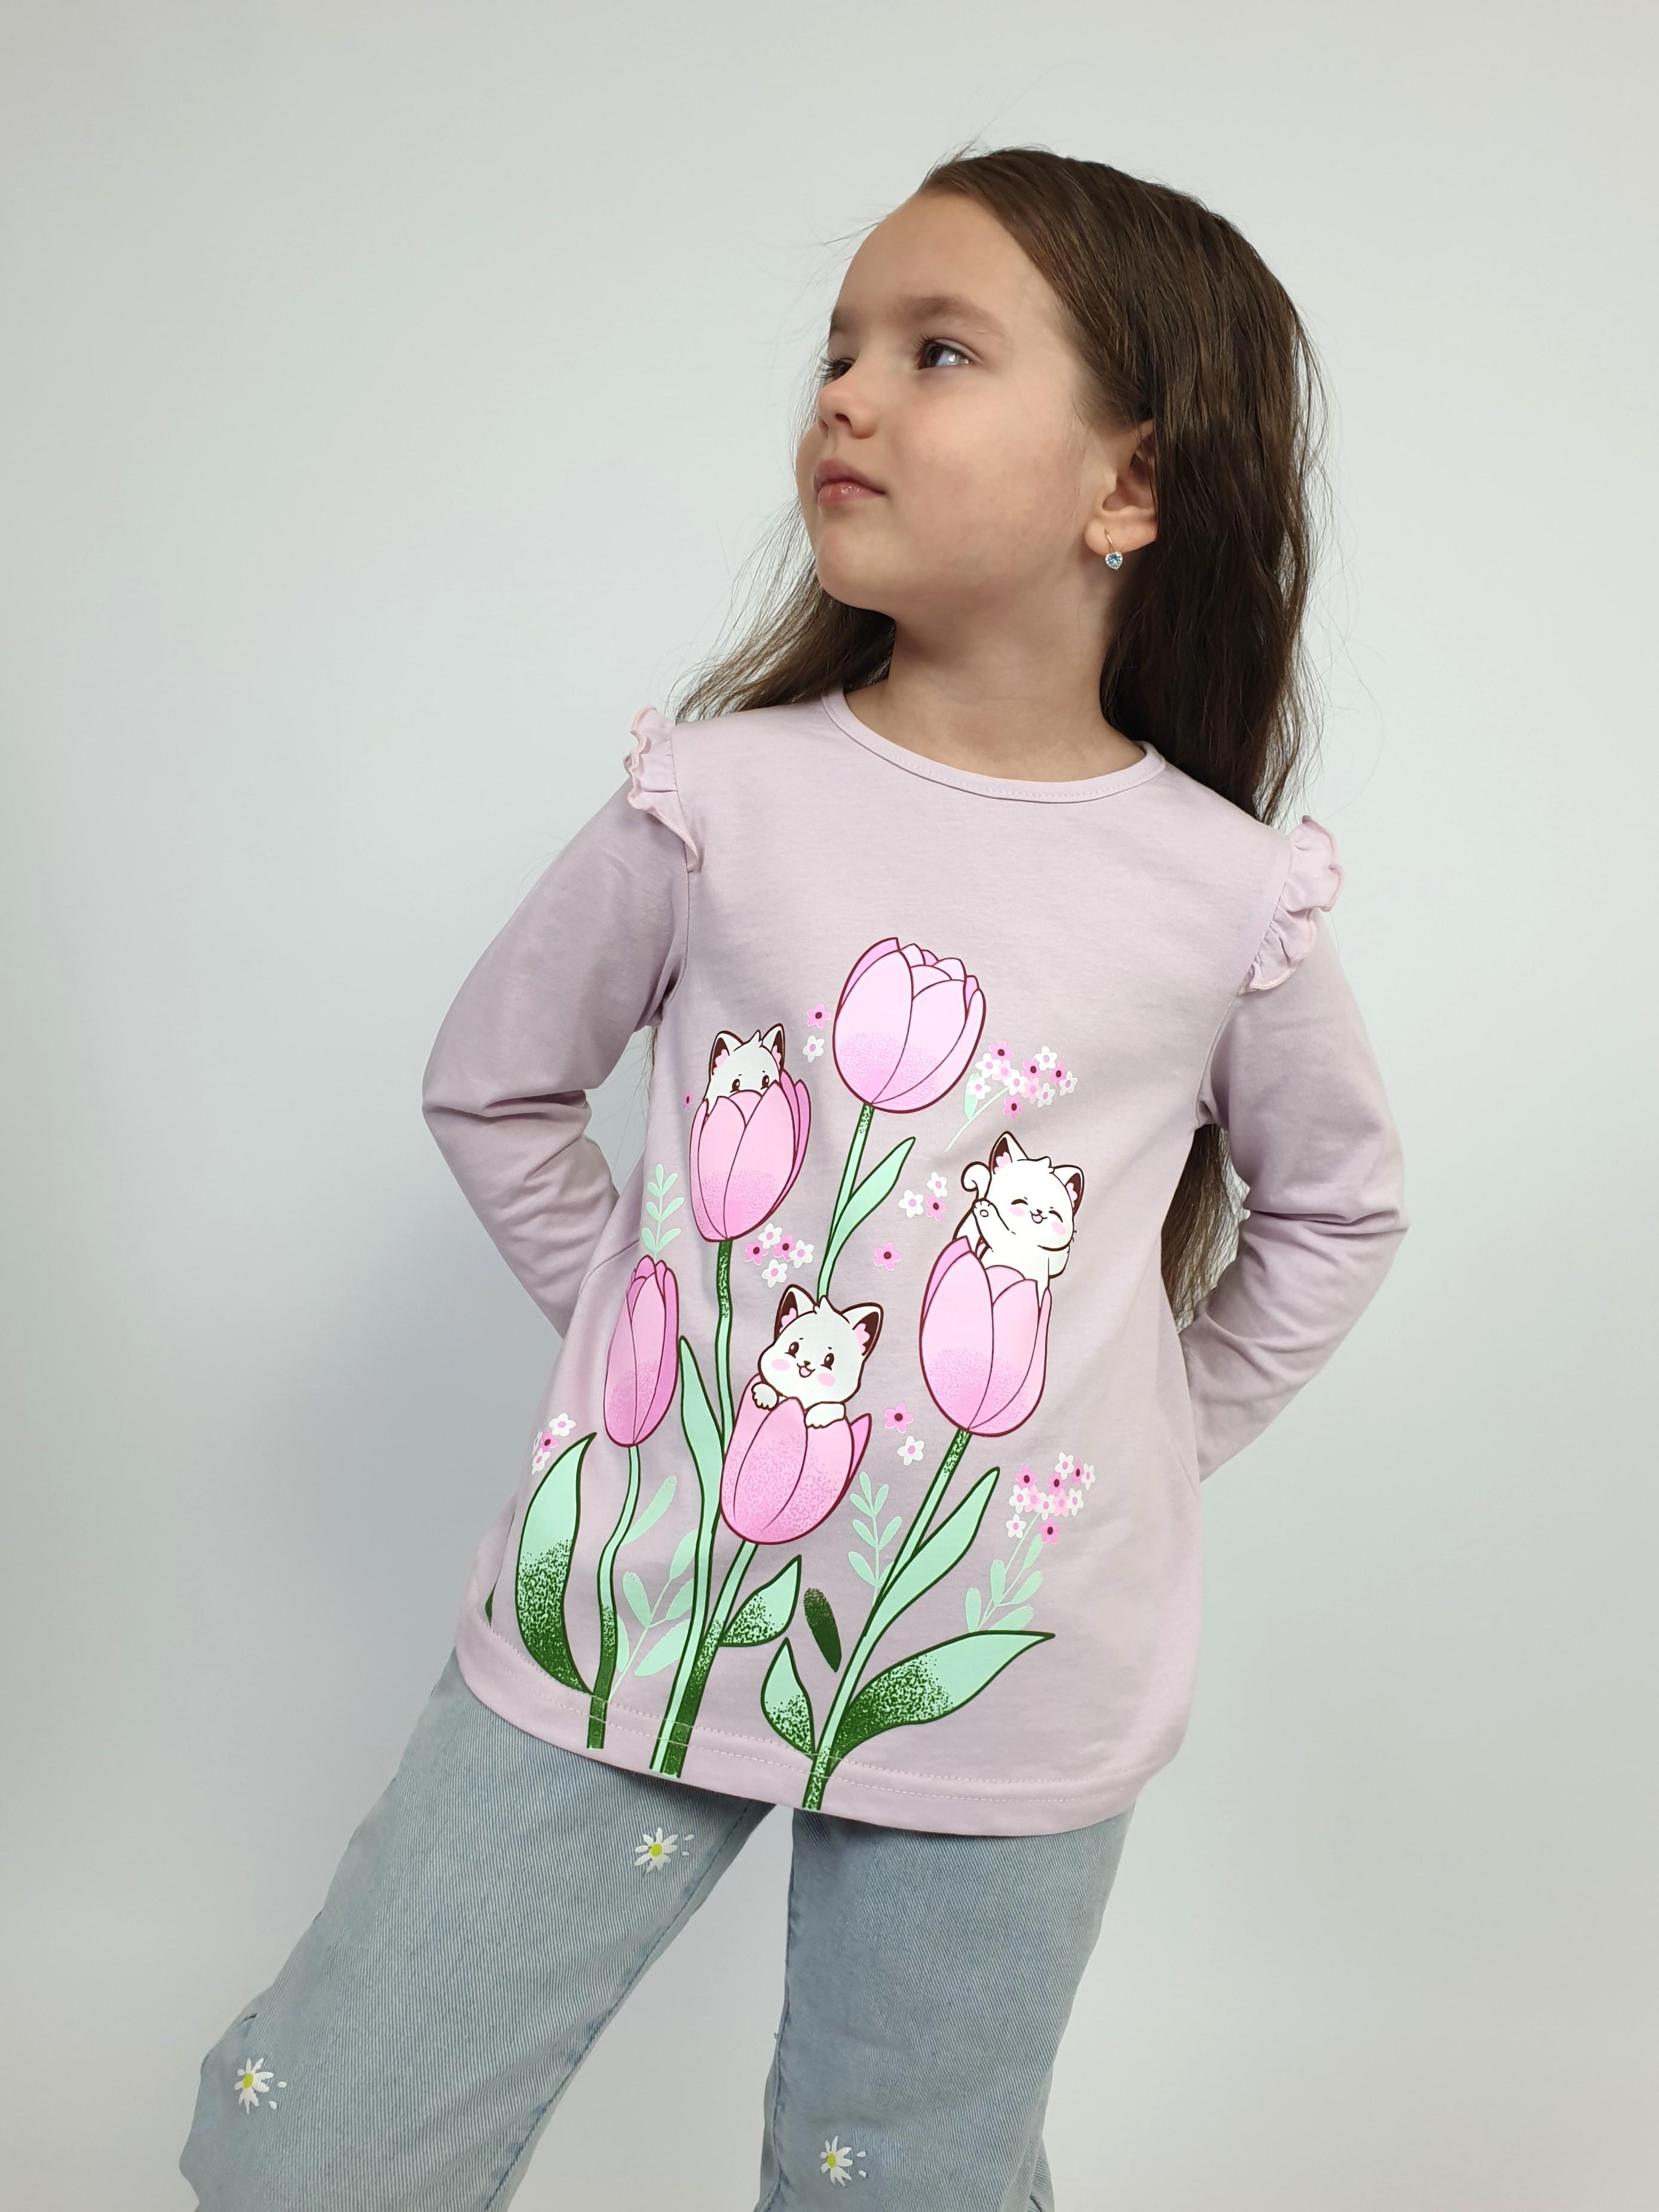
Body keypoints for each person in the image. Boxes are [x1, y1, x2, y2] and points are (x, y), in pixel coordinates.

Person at [180, 143, 1409, 2210]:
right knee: (326, 2150)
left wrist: (1143, 1439)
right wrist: (652, 1341)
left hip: (1005, 1664)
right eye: (841, 347)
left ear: (1129, 487)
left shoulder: (1225, 894)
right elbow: (498, 1086)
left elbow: (1340, 1207)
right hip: (634, 1605)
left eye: (937, 351)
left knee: (900, 2187)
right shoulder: (715, 803)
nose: (845, 392)